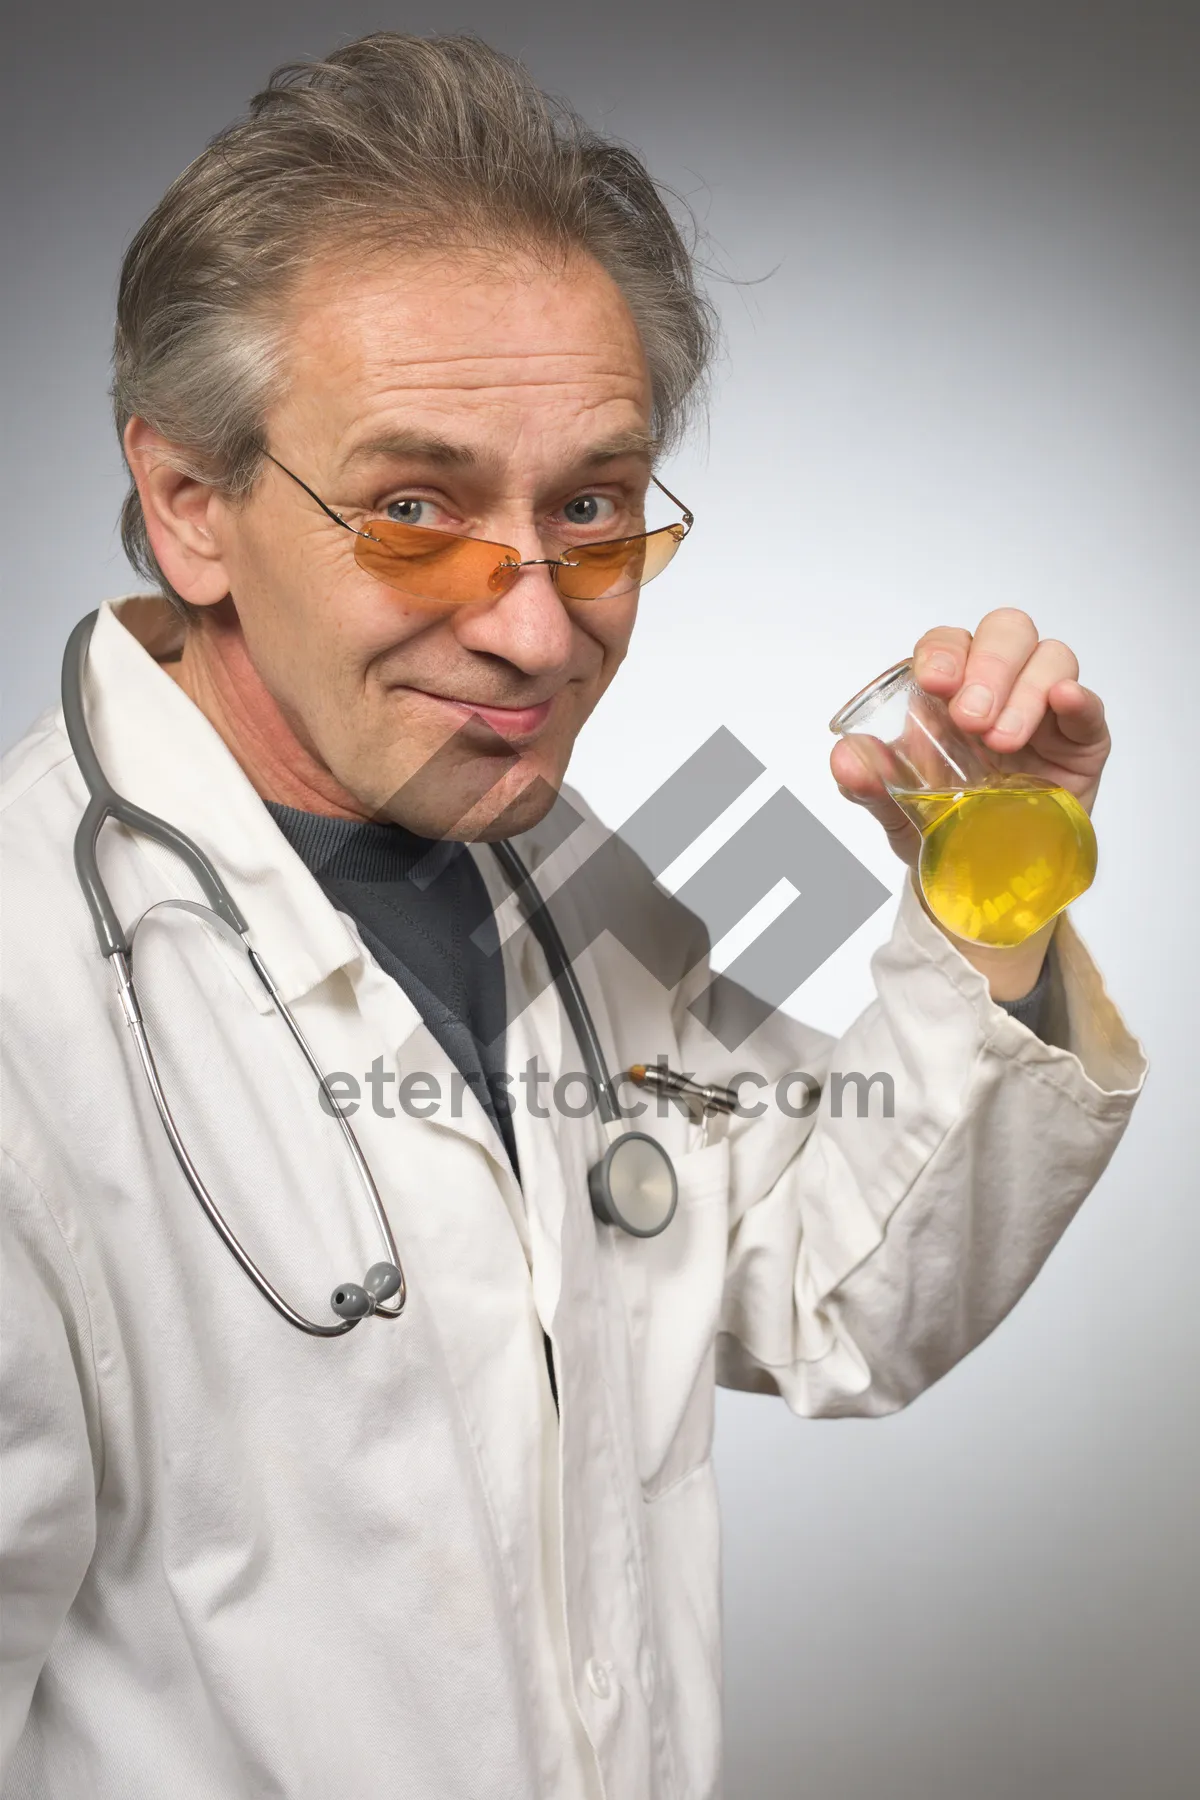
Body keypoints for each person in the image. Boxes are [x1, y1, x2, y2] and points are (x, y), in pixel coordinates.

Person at [0, 32, 1146, 1800]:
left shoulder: (547, 862)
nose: (538, 631)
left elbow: (835, 1291)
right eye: (414, 510)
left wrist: (987, 905)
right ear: (191, 506)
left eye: (592, 508)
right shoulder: (27, 994)